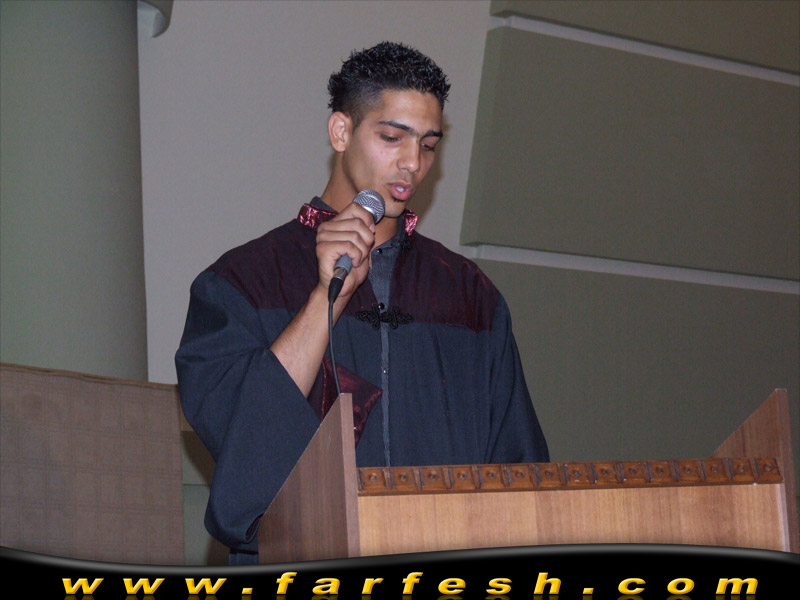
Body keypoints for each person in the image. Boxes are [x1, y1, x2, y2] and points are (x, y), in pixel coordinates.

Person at [176, 41, 548, 565]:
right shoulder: (241, 283)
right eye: (392, 137)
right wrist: (324, 300)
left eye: (428, 145)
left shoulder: (470, 295)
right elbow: (244, 458)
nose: (412, 163)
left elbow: (520, 474)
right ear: (341, 132)